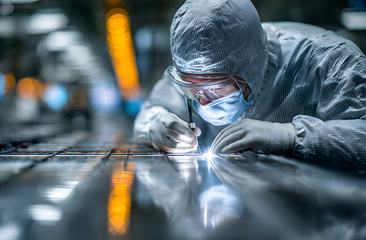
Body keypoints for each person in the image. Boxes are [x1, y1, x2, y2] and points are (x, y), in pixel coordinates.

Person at [133, 0, 366, 165]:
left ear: (251, 68)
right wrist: (154, 126)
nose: (202, 101)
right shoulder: (191, 72)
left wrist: (292, 136)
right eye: (193, 89)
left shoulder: (327, 61)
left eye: (215, 89)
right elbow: (151, 112)